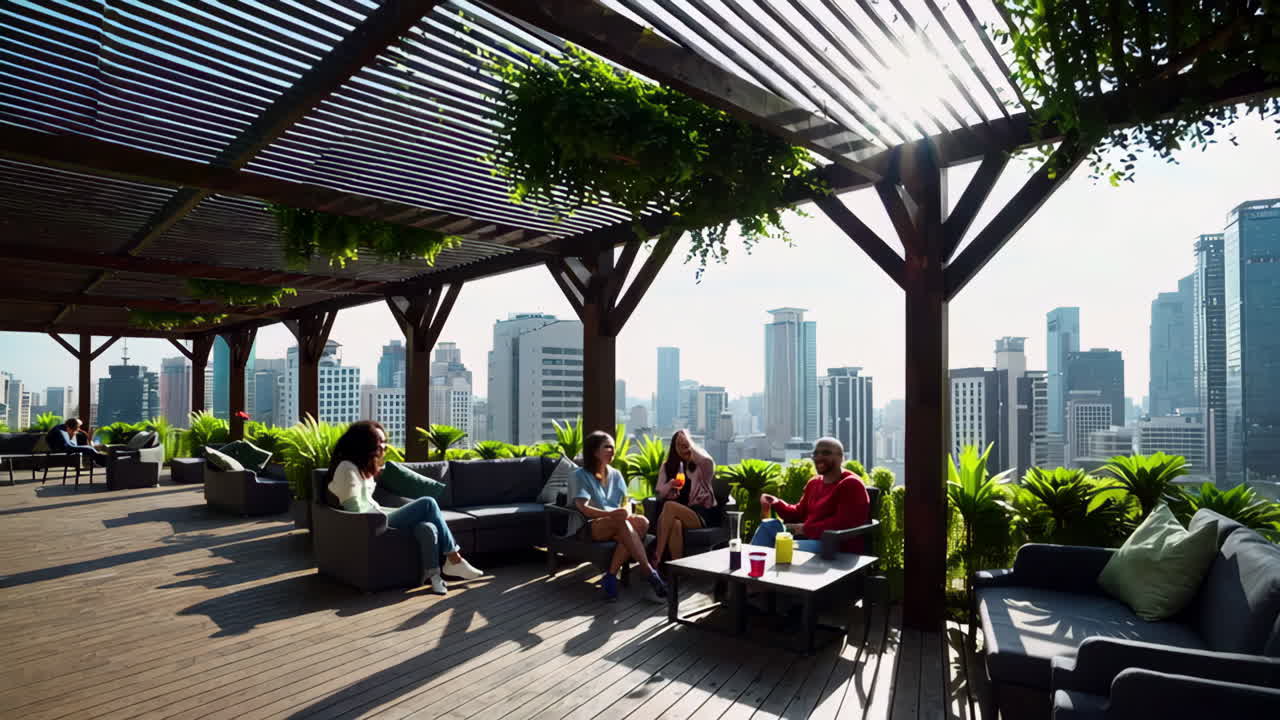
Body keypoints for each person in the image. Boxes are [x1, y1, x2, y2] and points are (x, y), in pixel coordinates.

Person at [324, 420, 482, 594]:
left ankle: (434, 575)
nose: (384, 446)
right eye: (379, 442)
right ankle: (454, 559)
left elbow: (368, 501)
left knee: (427, 526)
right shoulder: (347, 469)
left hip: (377, 514)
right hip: (371, 523)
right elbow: (355, 510)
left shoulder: (361, 467)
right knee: (428, 503)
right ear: (363, 443)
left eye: (385, 442)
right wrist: (381, 517)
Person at [573, 430, 668, 602]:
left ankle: (610, 576)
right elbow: (583, 508)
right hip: (588, 525)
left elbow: (626, 502)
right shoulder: (579, 475)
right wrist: (612, 514)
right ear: (594, 451)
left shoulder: (616, 474)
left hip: (616, 523)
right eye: (607, 447)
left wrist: (626, 512)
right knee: (621, 523)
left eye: (613, 447)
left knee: (642, 522)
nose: (612, 451)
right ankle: (649, 572)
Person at [751, 437, 871, 554]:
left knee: (782, 547)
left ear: (841, 457)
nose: (819, 457)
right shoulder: (814, 483)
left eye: (826, 453)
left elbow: (843, 523)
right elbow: (798, 513)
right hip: (808, 538)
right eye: (815, 454)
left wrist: (804, 529)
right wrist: (776, 503)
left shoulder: (851, 484)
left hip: (835, 545)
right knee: (768, 526)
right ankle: (750, 564)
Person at [650, 429, 720, 566]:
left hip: (699, 513)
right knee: (675, 523)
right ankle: (677, 568)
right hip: (675, 514)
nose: (683, 447)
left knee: (669, 506)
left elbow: (708, 461)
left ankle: (657, 556)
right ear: (674, 447)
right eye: (679, 445)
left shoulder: (699, 466)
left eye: (686, 444)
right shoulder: (667, 466)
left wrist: (691, 449)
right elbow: (659, 493)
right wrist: (670, 485)